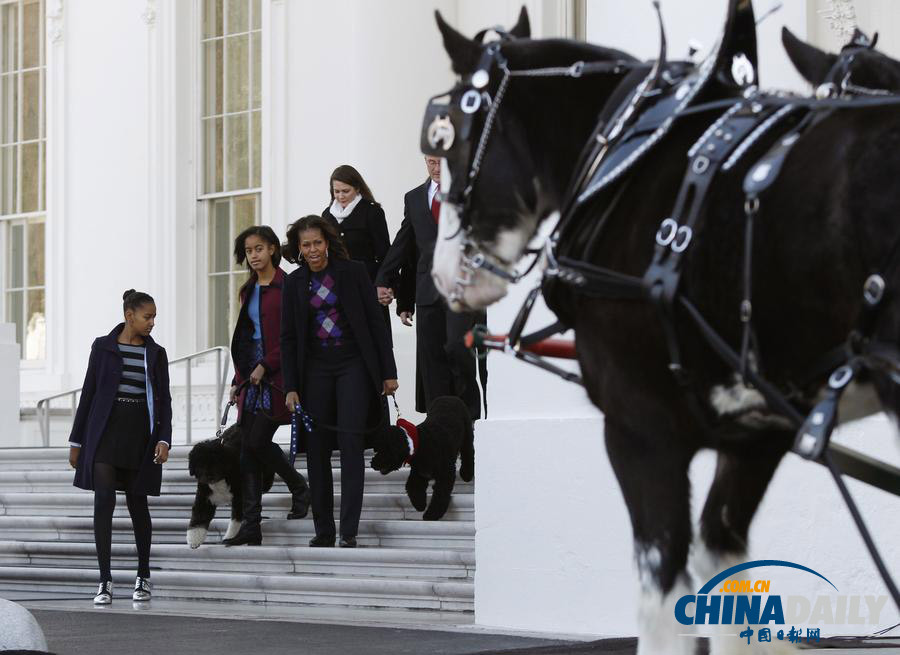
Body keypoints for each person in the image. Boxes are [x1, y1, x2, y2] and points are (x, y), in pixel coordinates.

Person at [281, 215, 398, 548]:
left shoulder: (353, 272)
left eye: (318, 242)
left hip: (353, 366)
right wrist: (291, 386)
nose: (313, 250)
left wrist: (388, 371)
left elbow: (375, 323)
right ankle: (324, 530)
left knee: (350, 444)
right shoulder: (294, 283)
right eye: (306, 245)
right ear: (299, 248)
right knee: (317, 450)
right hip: (314, 371)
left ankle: (348, 531)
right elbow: (288, 338)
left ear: (328, 242)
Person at [68, 290, 172, 605]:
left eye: (154, 317)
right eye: (147, 316)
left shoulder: (156, 353)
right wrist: (76, 441)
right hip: (105, 432)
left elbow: (164, 400)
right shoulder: (102, 347)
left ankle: (143, 576)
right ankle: (105, 580)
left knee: (138, 504)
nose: (152, 322)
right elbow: (88, 393)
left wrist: (164, 438)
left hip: (140, 434)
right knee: (104, 502)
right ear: (129, 315)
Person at [375, 156, 486, 420]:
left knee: (458, 349)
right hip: (428, 292)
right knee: (432, 362)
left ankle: (469, 419)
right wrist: (384, 280)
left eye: (441, 163)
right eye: (431, 163)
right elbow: (403, 244)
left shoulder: (469, 193)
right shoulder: (414, 198)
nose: (436, 169)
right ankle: (440, 422)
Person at [222, 226, 312, 547]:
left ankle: (298, 487)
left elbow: (293, 337)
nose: (254, 255)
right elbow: (245, 339)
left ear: (273, 249)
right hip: (251, 378)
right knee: (249, 447)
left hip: (279, 375)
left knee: (255, 441)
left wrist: (266, 365)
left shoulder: (288, 286)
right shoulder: (247, 289)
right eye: (249, 251)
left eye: (259, 248)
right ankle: (252, 525)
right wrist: (238, 380)